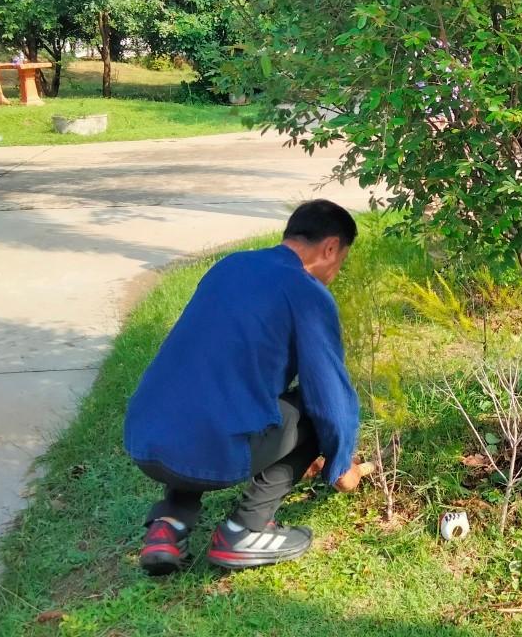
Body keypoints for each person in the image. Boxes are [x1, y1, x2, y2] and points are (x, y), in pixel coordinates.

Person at [124, 199, 365, 576]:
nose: (335, 272)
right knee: (310, 408)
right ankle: (245, 530)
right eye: (341, 261)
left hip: (146, 438)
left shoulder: (231, 266)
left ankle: (168, 525)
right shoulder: (307, 293)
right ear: (330, 247)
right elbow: (330, 400)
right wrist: (341, 464)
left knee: (207, 396)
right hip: (208, 449)